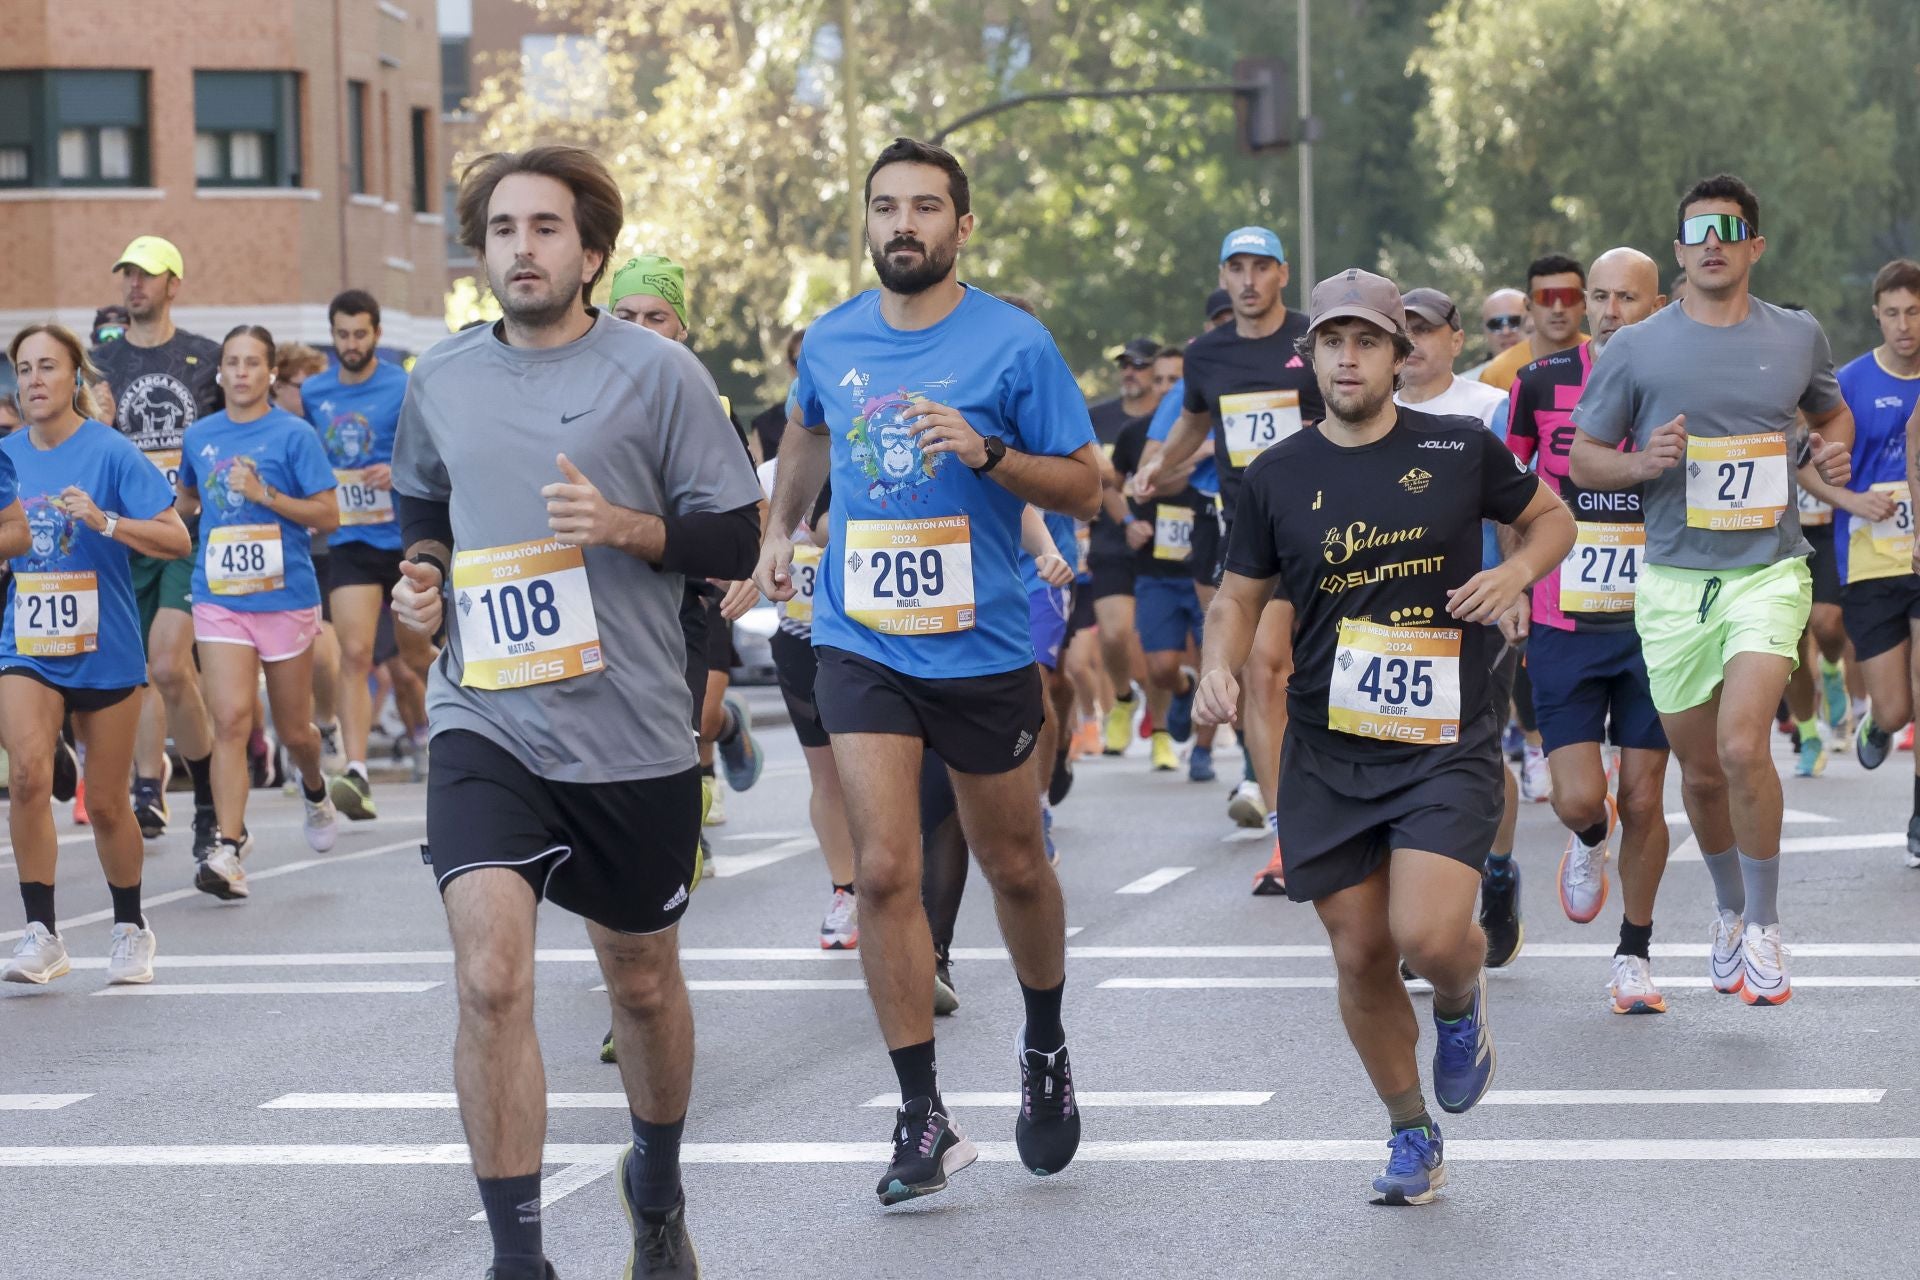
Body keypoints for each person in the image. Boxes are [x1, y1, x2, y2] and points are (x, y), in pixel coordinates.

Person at [392, 144, 761, 1278]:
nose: (523, 248)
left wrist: (631, 528)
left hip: (633, 726)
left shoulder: (657, 375)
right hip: (486, 716)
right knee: (491, 975)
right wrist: (418, 573)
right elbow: (423, 507)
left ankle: (654, 1185)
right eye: (504, 229)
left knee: (641, 979)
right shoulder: (439, 379)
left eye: (546, 229)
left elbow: (736, 538)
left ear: (590, 251)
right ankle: (520, 1257)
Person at [753, 136, 1100, 1205]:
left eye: (926, 208)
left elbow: (1087, 486)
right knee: (886, 871)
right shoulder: (832, 337)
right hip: (861, 637)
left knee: (1015, 865)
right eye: (886, 206)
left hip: (986, 647)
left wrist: (990, 453)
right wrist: (781, 525)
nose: (904, 224)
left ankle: (1044, 1045)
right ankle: (922, 1111)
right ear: (867, 221)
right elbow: (810, 430)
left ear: (961, 226)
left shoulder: (1015, 344)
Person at [1195, 268, 1572, 1205]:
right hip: (1329, 745)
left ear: (1402, 358)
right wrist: (1218, 667)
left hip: (1444, 734)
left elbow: (1552, 520)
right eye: (1333, 342)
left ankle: (1458, 1002)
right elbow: (1239, 597)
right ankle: (1411, 1131)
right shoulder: (1276, 472)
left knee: (1430, 933)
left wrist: (1517, 571)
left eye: (1369, 342)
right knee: (1360, 951)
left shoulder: (1459, 446)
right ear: (1310, 357)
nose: (1349, 357)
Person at [1569, 173, 1855, 1008]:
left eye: (1731, 230)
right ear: (1680, 250)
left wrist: (1828, 454)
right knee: (1698, 774)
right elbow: (1585, 457)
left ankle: (1765, 926)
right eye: (1699, 231)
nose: (1715, 242)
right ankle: (1729, 912)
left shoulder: (1797, 336)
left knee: (1740, 747)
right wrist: (1640, 463)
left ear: (1754, 247)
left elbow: (1829, 418)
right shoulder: (1635, 347)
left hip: (1767, 571)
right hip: (1671, 582)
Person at [1506, 247, 1675, 1013]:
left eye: (1625, 298)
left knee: (1643, 798)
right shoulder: (1537, 384)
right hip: (1562, 620)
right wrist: (1512, 579)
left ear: (1657, 302)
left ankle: (1634, 954)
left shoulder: (1681, 384)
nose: (1608, 310)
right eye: (1598, 296)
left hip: (1656, 622)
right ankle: (1584, 840)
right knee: (1582, 800)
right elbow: (1503, 492)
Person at [1134, 225, 1327, 895]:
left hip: (1331, 530)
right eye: (1236, 268)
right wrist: (1158, 468)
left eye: (1261, 267)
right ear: (1223, 276)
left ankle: (1343, 808)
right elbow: (1194, 418)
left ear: (1282, 273)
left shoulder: (1315, 337)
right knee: (1263, 674)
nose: (1248, 280)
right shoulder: (1207, 354)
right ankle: (1284, 833)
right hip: (1252, 535)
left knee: (1316, 681)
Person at [1, 324, 184, 985]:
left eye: (47, 366)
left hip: (104, 647)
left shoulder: (110, 453)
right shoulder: (6, 456)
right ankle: (41, 934)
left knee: (106, 803)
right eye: (23, 369)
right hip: (28, 642)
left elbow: (176, 537)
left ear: (74, 376)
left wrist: (107, 521)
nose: (33, 381)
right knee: (25, 773)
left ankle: (131, 925)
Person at [176, 326, 342, 899]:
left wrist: (265, 494)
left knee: (296, 730)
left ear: (271, 373)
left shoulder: (294, 436)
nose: (241, 373)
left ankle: (316, 789)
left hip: (285, 598)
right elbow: (189, 500)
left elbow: (328, 516)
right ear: (220, 372)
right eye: (232, 363)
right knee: (230, 720)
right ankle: (226, 846)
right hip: (220, 597)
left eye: (253, 363)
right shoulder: (199, 436)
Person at [1393, 286, 1528, 967]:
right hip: (1388, 616)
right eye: (1401, 330)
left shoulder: (1488, 409)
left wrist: (1514, 588)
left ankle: (1493, 873)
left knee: (1466, 755)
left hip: (1473, 605)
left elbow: (1516, 508)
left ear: (1455, 339)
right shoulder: (1369, 410)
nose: (1411, 343)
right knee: (1402, 754)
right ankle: (1419, 910)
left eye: (1425, 331)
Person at [609, 254, 766, 826]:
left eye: (657, 317)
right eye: (625, 315)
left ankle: (683, 830)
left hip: (690, 591)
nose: (640, 331)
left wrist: (751, 568)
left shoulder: (706, 402)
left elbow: (751, 505)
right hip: (607, 589)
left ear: (681, 328)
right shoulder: (574, 395)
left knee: (688, 721)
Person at [88, 235, 220, 857]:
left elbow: (233, 435)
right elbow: (83, 449)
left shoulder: (205, 357)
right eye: (127, 275)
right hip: (123, 534)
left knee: (169, 664)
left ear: (174, 284)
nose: (134, 285)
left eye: (148, 275)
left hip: (186, 533)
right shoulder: (97, 365)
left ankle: (209, 795)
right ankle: (151, 784)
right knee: (139, 672)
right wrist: (101, 422)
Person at [300, 289, 432, 821]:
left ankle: (448, 730)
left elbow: (429, 453)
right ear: (332, 336)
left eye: (360, 334)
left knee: (417, 655)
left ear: (376, 334)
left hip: (402, 537)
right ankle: (357, 770)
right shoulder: (315, 391)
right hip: (350, 539)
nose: (351, 344)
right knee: (355, 655)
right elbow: (308, 453)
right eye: (342, 335)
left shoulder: (403, 385)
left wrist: (394, 472)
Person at [1808, 259, 1920, 863]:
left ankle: (1919, 814)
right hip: (1871, 560)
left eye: (1915, 311)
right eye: (1894, 312)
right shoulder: (1850, 382)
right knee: (1899, 706)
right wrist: (1851, 498)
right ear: (1877, 314)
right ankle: (1879, 722)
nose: (1905, 325)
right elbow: (1806, 461)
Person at [1087, 337, 1160, 753]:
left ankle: (1166, 712)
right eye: (1124, 365)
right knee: (1114, 635)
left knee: (1157, 643)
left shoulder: (1174, 418)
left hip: (1167, 542)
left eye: (1139, 364)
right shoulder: (1098, 418)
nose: (1130, 371)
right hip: (1111, 539)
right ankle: (1124, 698)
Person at [1477, 255, 1589, 392]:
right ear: (1528, 305)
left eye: (1568, 297)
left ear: (1585, 303)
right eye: (1545, 298)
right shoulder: (1497, 375)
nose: (1557, 309)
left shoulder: (1607, 360)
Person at [750, 329, 806, 463]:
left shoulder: (846, 415)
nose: (809, 369)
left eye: (816, 361)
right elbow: (758, 477)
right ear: (791, 367)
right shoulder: (766, 425)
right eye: (801, 362)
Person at [1461, 288, 1527, 382]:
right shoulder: (1468, 385)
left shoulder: (1553, 373)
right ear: (1484, 330)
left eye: (1515, 321)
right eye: (1495, 324)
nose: (1506, 331)